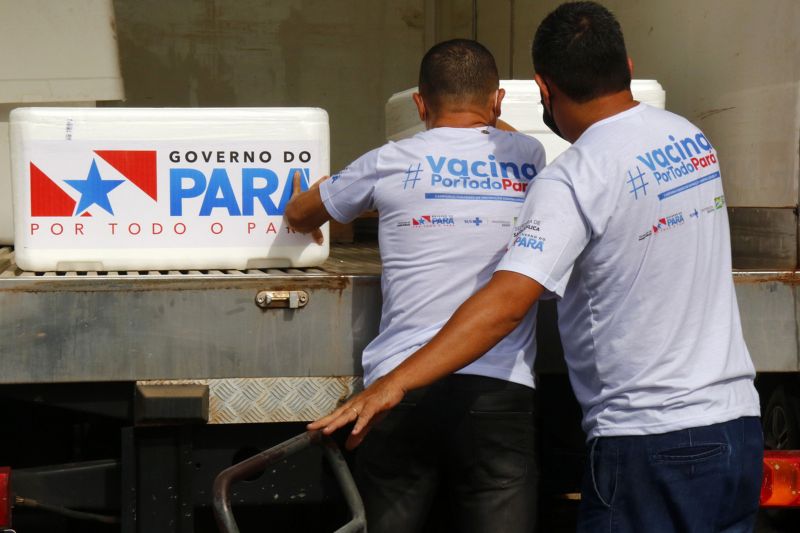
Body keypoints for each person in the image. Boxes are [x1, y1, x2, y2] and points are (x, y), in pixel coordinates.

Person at [309, 3, 763, 532]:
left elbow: (505, 305)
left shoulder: (575, 177)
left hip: (648, 441)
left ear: (544, 89)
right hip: (735, 426)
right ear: (629, 66)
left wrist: (395, 383)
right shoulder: (688, 139)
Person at [287, 39, 546, 533]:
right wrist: (493, 121)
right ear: (497, 102)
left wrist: (320, 193)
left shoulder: (390, 157)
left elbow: (299, 215)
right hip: (499, 391)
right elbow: (503, 133)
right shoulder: (530, 156)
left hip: (399, 389)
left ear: (420, 104)